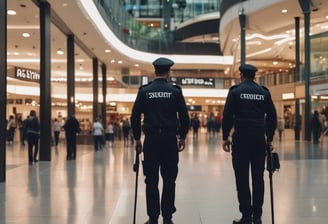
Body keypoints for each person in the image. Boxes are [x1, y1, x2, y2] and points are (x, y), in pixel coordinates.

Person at [130, 57, 190, 224]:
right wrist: (182, 136)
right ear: (168, 72)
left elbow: (134, 116)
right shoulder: (175, 91)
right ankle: (168, 218)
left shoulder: (144, 91)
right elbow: (185, 118)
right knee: (169, 180)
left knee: (151, 180)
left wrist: (137, 138)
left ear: (154, 71)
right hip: (169, 141)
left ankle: (153, 218)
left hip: (151, 141)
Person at [222, 64, 277, 224]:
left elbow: (227, 116)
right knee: (258, 178)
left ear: (241, 75)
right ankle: (258, 216)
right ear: (255, 76)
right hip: (259, 140)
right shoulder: (263, 92)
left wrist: (225, 137)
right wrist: (269, 138)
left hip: (241, 140)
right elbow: (272, 117)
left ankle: (246, 216)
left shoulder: (235, 92)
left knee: (242, 178)